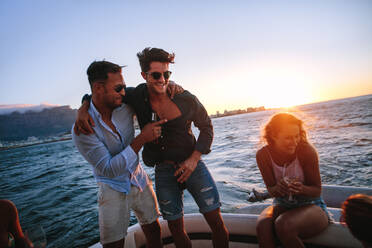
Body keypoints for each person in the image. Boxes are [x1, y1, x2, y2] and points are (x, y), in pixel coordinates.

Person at [76, 48, 229, 248]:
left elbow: (207, 127)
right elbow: (100, 94)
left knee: (216, 222)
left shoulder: (185, 98)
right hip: (164, 171)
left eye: (167, 74)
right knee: (175, 230)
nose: (163, 80)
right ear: (144, 76)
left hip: (193, 165)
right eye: (156, 75)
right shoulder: (136, 96)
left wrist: (194, 159)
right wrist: (83, 106)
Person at [72, 61, 165, 248]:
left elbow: (152, 90)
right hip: (111, 188)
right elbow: (108, 169)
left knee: (154, 231)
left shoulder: (126, 106)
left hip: (139, 179)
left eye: (123, 86)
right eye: (118, 88)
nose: (123, 92)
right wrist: (142, 138)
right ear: (98, 88)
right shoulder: (82, 129)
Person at [255, 113, 329, 248]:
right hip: (283, 205)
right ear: (273, 136)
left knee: (284, 224)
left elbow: (317, 191)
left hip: (313, 206)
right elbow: (271, 190)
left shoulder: (306, 151)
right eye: (288, 138)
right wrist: (278, 189)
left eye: (297, 136)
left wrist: (301, 189)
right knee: (262, 226)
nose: (294, 142)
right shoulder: (263, 156)